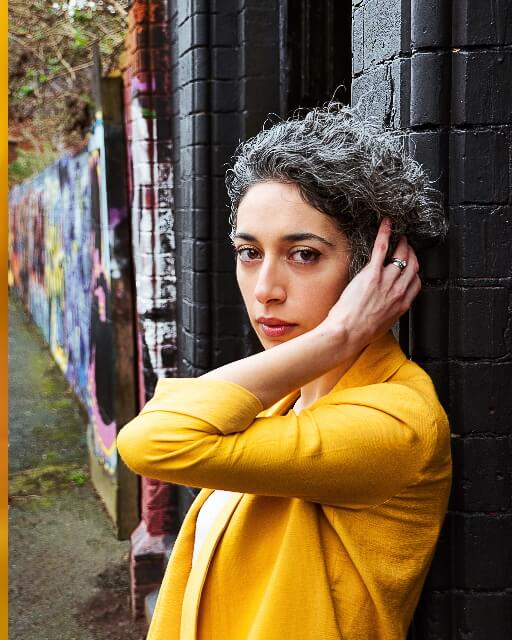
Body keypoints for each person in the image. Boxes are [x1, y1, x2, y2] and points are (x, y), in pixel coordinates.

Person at [117, 105, 451, 640]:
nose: (265, 287)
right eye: (249, 252)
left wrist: (338, 335)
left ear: (375, 270)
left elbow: (152, 442)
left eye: (302, 255)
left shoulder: (397, 420)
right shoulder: (279, 401)